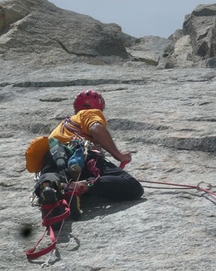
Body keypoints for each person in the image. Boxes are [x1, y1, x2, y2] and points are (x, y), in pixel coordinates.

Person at [33, 90, 144, 226]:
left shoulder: (61, 127)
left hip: (52, 157)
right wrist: (119, 155)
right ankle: (81, 186)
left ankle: (50, 186)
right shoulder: (90, 113)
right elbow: (96, 128)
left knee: (54, 176)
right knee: (132, 186)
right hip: (82, 157)